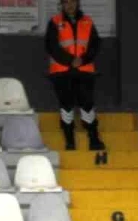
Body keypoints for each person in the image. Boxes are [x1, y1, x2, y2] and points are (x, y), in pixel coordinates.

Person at [44, 0, 104, 150]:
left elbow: (95, 45)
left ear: (78, 4)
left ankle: (94, 139)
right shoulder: (54, 22)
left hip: (84, 70)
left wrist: (82, 60)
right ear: (62, 5)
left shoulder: (88, 21)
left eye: (73, 2)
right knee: (66, 106)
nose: (69, 5)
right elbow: (51, 46)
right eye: (66, 3)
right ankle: (70, 141)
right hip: (62, 71)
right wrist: (71, 61)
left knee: (87, 105)